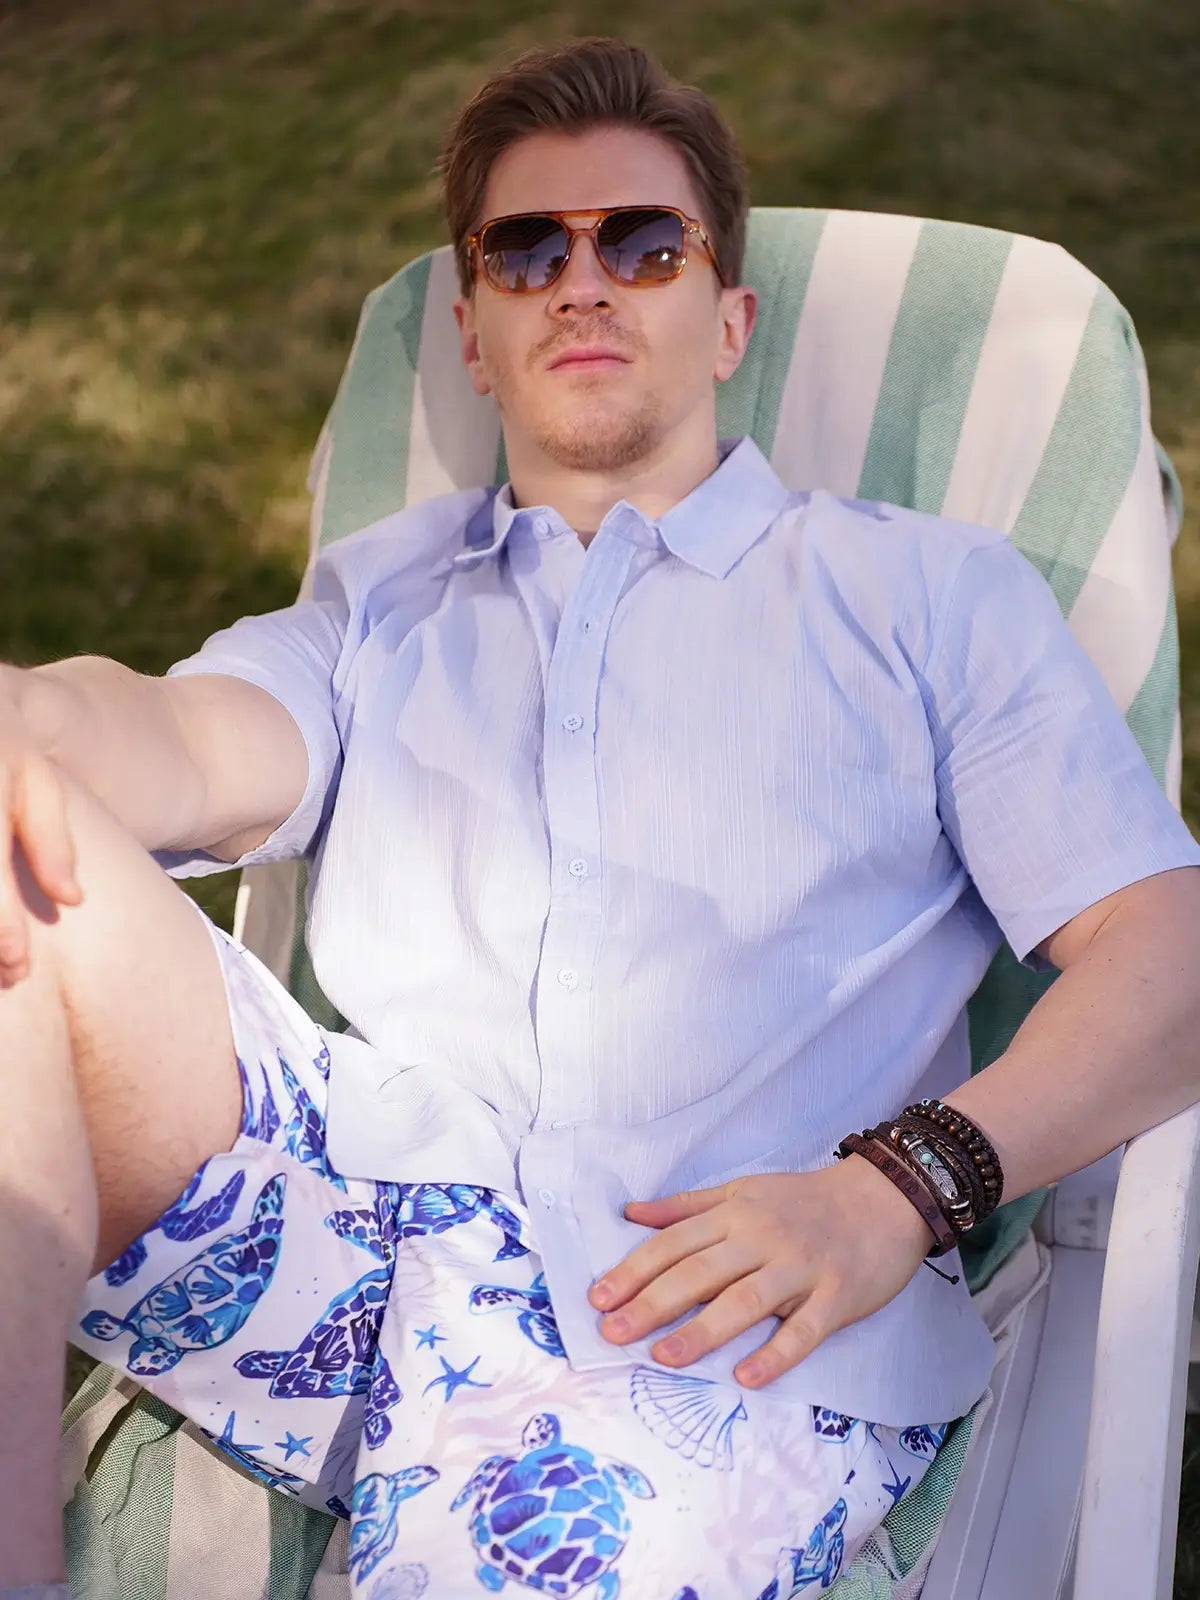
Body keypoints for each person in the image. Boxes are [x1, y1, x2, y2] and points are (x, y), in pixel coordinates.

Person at [3, 35, 1199, 1600]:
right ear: (474, 332)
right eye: (526, 251)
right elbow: (172, 738)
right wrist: (28, 719)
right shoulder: (382, 604)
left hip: (706, 1304)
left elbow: (1166, 951)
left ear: (727, 320)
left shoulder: (922, 598)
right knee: (19, 855)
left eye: (642, 244)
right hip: (358, 1225)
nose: (582, 285)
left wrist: (902, 1189)